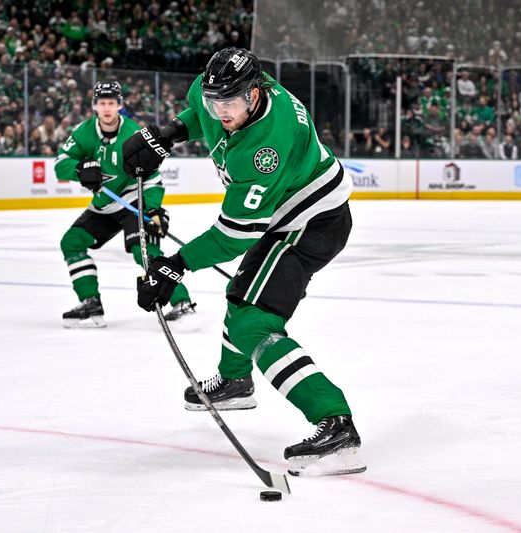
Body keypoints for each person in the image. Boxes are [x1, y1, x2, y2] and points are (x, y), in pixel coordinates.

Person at [122, 48, 365, 476]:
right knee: (243, 294)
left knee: (254, 320)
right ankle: (235, 381)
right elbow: (199, 110)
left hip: (311, 221)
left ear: (255, 94)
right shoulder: (219, 88)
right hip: (286, 214)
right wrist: (168, 133)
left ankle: (336, 424)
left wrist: (175, 264)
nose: (221, 113)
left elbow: (235, 233)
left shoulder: (265, 145)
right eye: (216, 103)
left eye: (230, 105)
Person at [54, 81, 195, 328]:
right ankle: (91, 303)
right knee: (71, 242)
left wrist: (152, 209)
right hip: (105, 205)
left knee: (144, 252)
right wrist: (79, 169)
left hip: (133, 200)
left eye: (111, 103)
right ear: (94, 106)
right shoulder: (84, 132)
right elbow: (60, 163)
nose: (106, 108)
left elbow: (153, 178)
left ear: (119, 105)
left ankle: (182, 303)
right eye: (102, 103)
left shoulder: (133, 134)